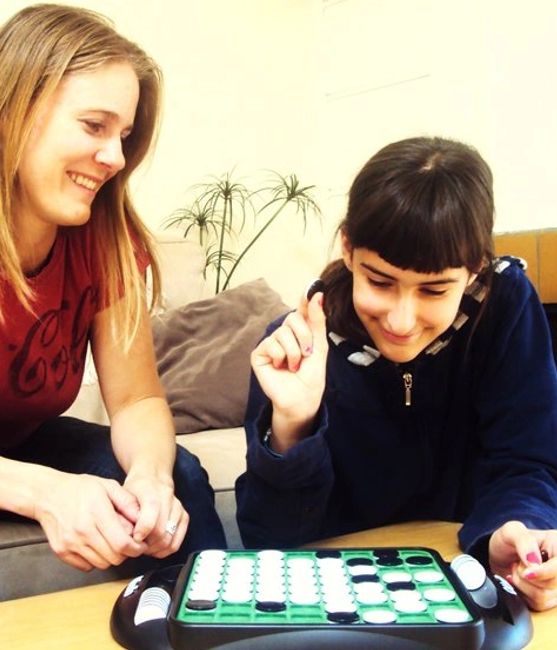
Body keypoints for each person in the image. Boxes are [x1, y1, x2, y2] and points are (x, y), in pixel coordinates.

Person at [0, 3, 225, 621]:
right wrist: (44, 491)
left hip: (22, 437)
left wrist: (149, 479)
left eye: (123, 135)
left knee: (181, 474)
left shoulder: (106, 239)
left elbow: (136, 402)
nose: (117, 158)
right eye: (95, 125)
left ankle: (205, 633)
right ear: (13, 112)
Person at [236, 136, 557, 611]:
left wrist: (512, 530)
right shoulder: (298, 348)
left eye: (434, 291)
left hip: (465, 585)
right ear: (347, 248)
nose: (402, 322)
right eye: (380, 282)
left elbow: (528, 462)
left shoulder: (505, 308)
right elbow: (272, 544)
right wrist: (292, 429)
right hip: (342, 597)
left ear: (475, 269)